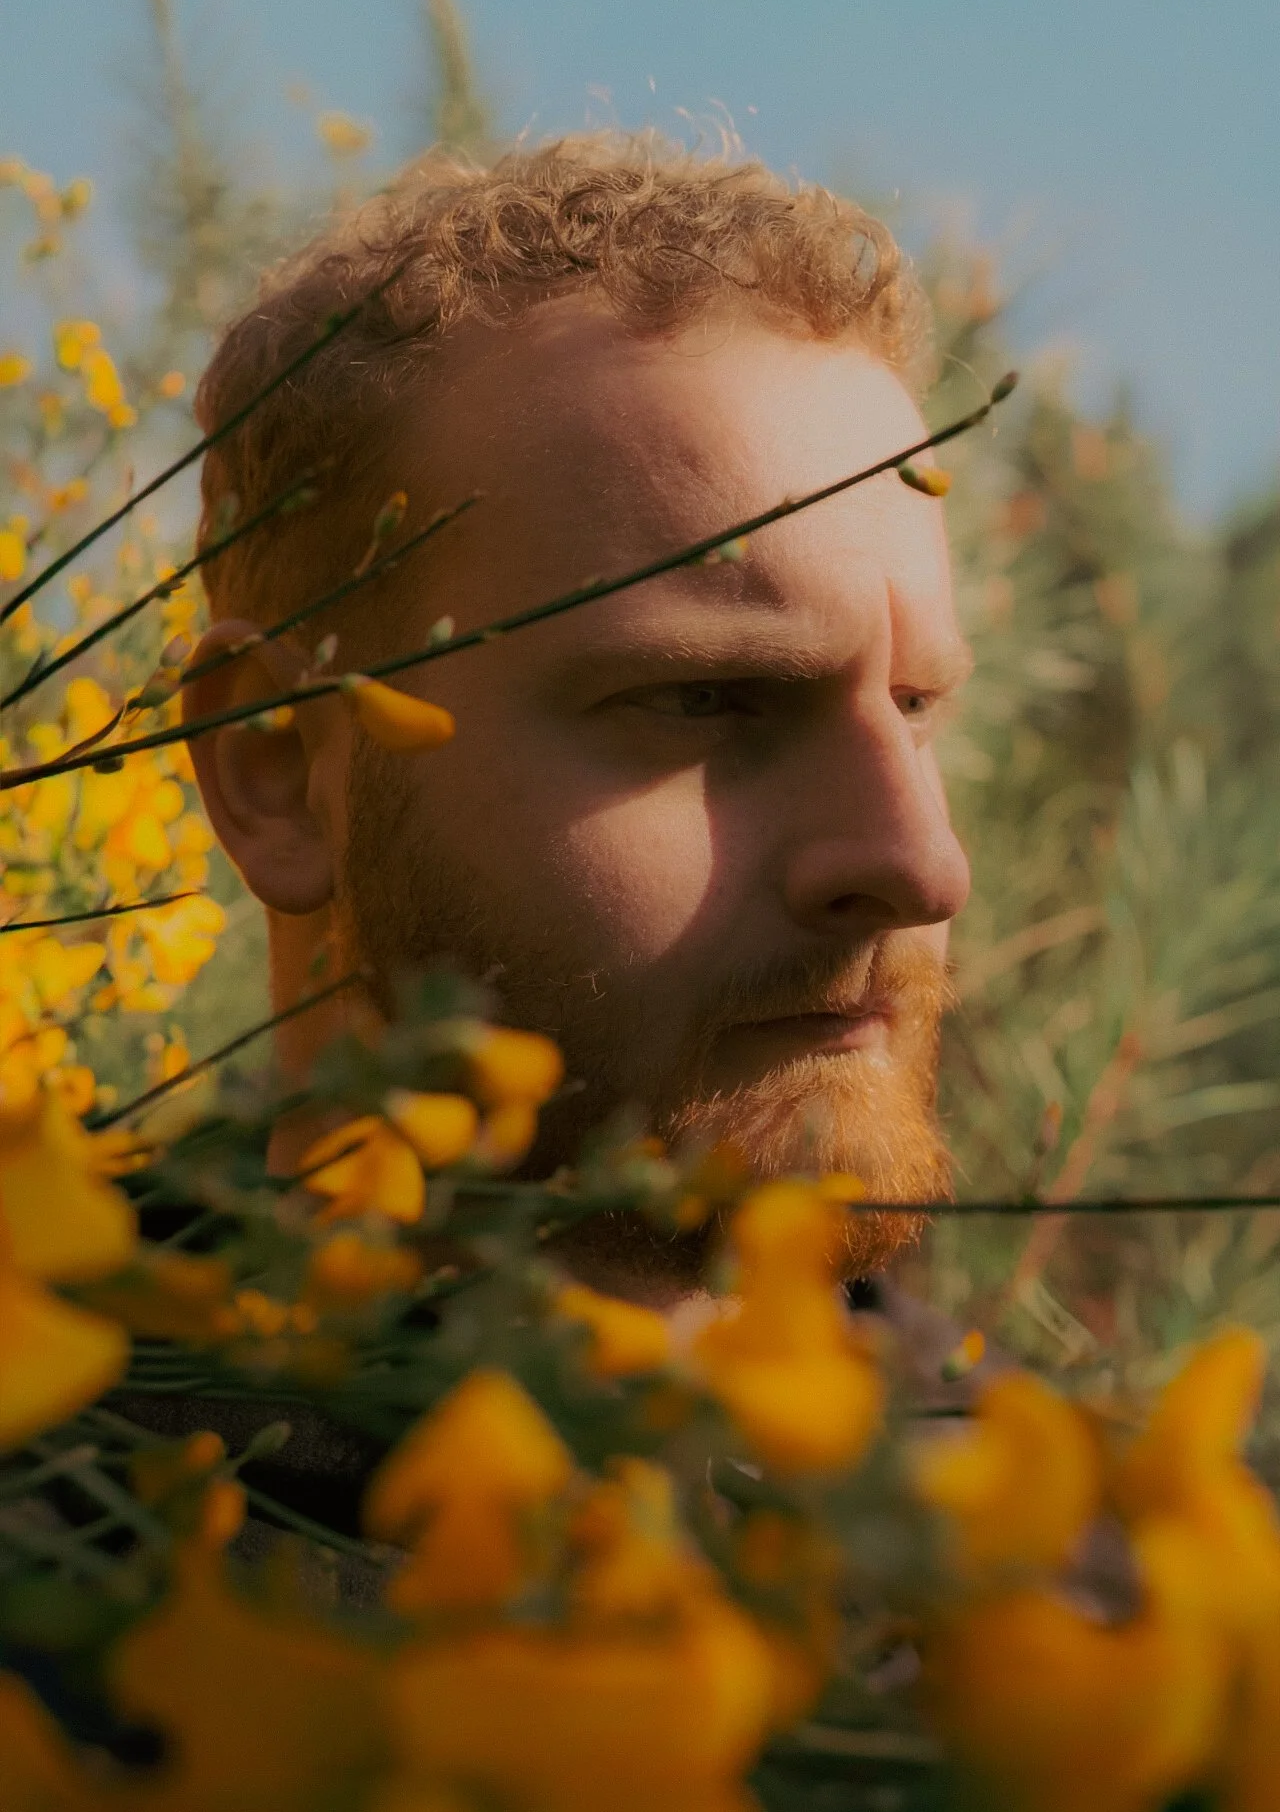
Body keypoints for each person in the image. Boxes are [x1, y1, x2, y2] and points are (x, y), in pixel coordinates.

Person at [183, 130, 974, 1314]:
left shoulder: (1042, 1489)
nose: (919, 866)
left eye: (911, 706)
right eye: (705, 698)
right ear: (278, 771)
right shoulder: (66, 1478)